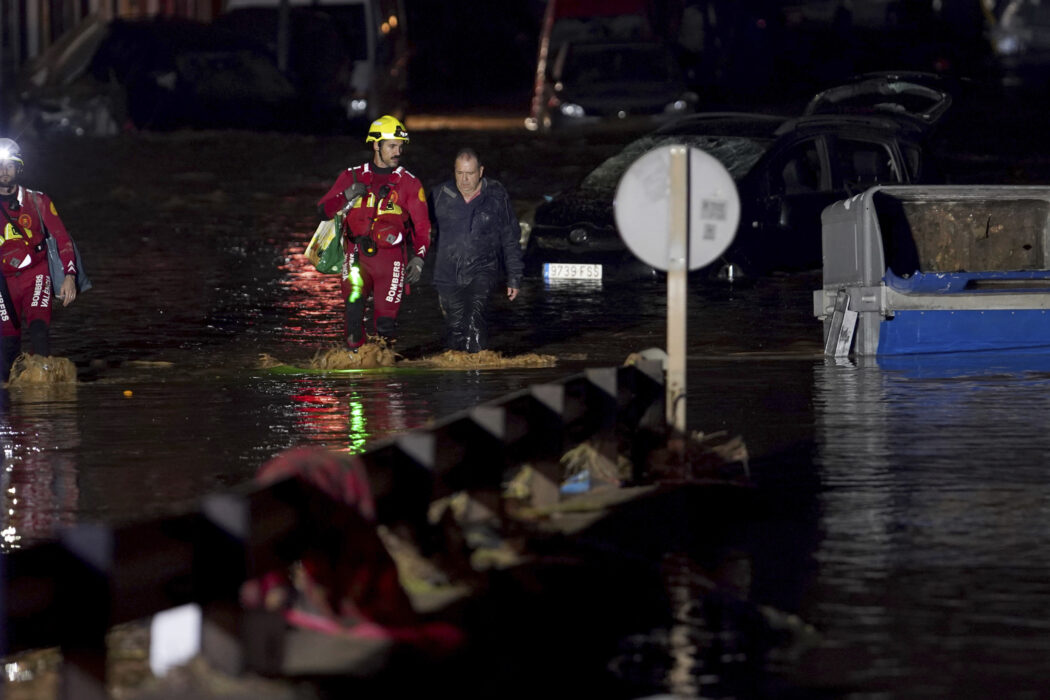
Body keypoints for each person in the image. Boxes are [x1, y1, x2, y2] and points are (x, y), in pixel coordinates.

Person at [317, 115, 431, 349]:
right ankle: (354, 366)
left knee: (385, 326)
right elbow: (323, 211)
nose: (397, 151)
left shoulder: (410, 184)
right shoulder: (351, 176)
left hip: (391, 262)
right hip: (356, 258)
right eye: (392, 146)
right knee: (352, 318)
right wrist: (346, 195)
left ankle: (384, 372)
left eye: (400, 146)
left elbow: (422, 227)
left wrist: (419, 258)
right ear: (376, 145)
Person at [429, 148, 524, 353]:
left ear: (480, 171)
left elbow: (510, 236)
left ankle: (477, 373)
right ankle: (457, 376)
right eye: (459, 173)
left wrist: (514, 276)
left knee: (474, 318)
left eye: (469, 174)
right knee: (455, 329)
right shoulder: (439, 195)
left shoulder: (496, 195)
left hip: (483, 269)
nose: (464, 180)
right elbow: (417, 229)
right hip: (447, 273)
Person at [0, 138, 78, 381]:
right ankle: (10, 409)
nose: (4, 172)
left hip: (36, 274)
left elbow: (62, 238)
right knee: (7, 345)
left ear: (19, 168)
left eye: (9, 166)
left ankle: (43, 400)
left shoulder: (38, 201)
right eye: (0, 166)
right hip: (3, 283)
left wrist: (69, 276)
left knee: (38, 331)